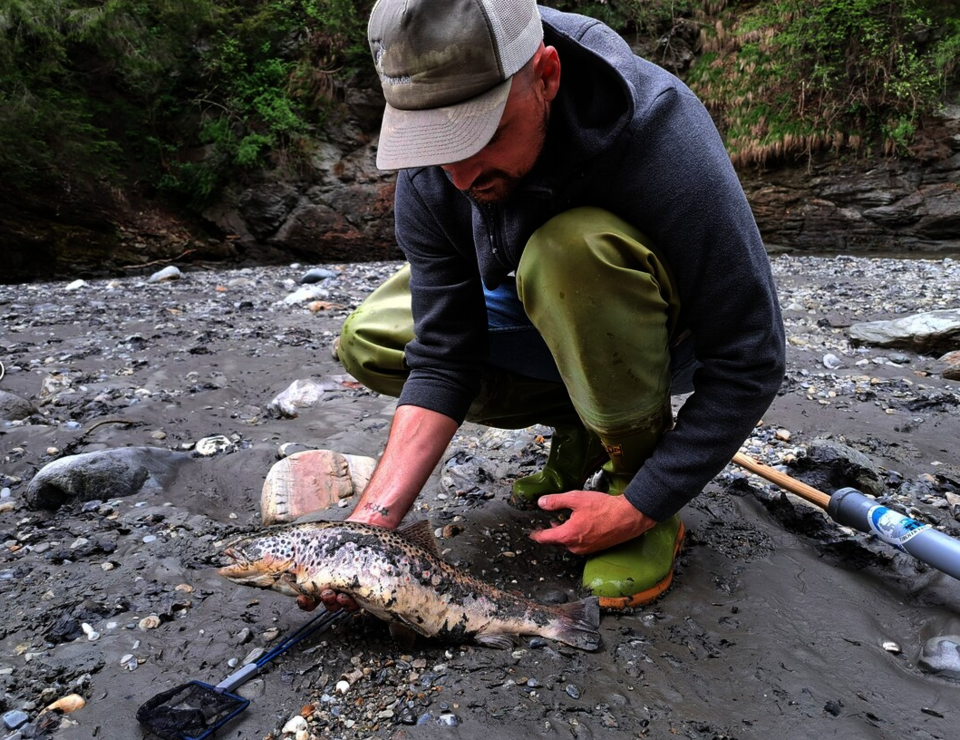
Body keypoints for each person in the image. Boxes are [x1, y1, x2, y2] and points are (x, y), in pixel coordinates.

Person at [321, 0, 785, 612]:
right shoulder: (437, 172)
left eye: (481, 133)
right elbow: (443, 357)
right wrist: (367, 531)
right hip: (544, 315)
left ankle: (630, 472)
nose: (460, 175)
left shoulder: (660, 131)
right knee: (372, 339)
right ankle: (585, 424)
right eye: (436, 143)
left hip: (665, 336)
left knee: (567, 254)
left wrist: (645, 502)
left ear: (546, 75)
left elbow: (751, 357)